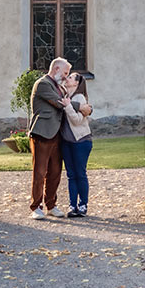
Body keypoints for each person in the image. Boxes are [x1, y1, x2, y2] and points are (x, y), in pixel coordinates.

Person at [28, 57, 91, 220]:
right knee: (39, 172)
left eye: (68, 74)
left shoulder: (59, 86)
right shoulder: (42, 84)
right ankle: (36, 207)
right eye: (65, 73)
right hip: (42, 134)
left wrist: (86, 106)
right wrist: (82, 107)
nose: (66, 76)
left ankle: (51, 205)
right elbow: (60, 103)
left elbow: (68, 99)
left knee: (55, 172)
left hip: (58, 136)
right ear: (55, 69)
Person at [60, 72, 92, 217]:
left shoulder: (79, 98)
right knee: (71, 175)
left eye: (71, 77)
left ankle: (83, 204)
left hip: (81, 141)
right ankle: (72, 206)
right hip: (66, 142)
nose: (67, 78)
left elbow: (77, 121)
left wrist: (67, 107)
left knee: (80, 173)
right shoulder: (66, 96)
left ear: (76, 83)